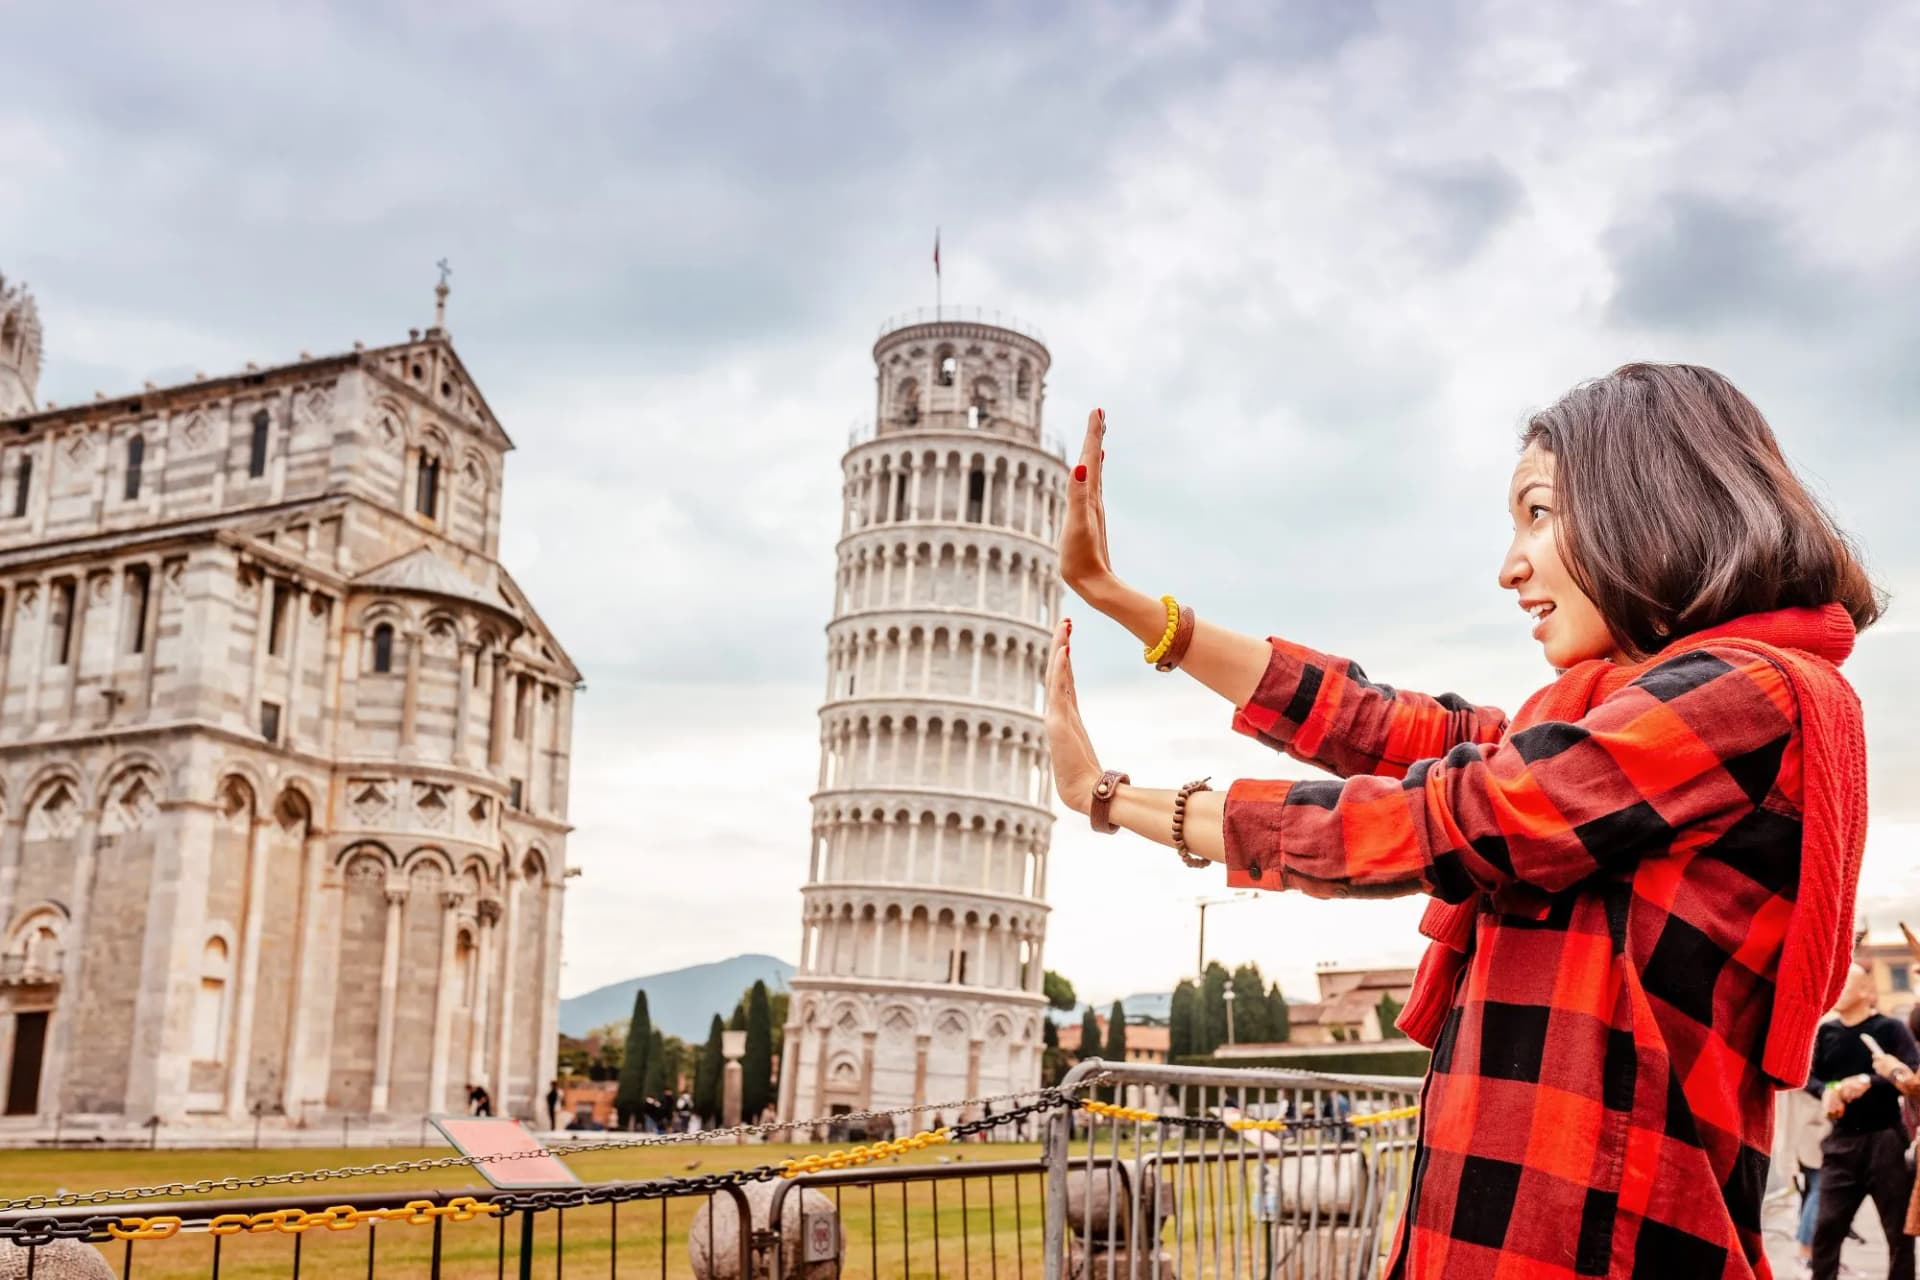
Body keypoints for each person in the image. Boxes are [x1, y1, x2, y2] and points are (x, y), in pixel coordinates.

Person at [1045, 365, 1880, 1278]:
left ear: (1648, 503)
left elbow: (1458, 817)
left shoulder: (1749, 695)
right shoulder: (1610, 720)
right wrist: (1121, 601)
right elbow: (1385, 726)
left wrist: (1112, 798)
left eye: (1538, 514)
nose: (1510, 565)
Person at [1809, 965, 1919, 1278]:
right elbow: (1809, 1077)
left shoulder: (1890, 1029)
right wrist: (1829, 1091)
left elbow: (1911, 1072)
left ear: (1864, 990)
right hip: (1841, 1141)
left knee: (1899, 1232)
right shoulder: (1825, 1033)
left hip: (1886, 1139)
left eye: (1844, 985)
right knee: (1826, 1227)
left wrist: (1869, 1080)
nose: (1837, 991)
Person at [1778, 1060, 1834, 1278]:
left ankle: (1809, 1256)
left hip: (1807, 1138)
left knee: (1814, 1193)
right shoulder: (1805, 1074)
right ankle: (1805, 1255)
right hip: (1812, 1137)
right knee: (1819, 1194)